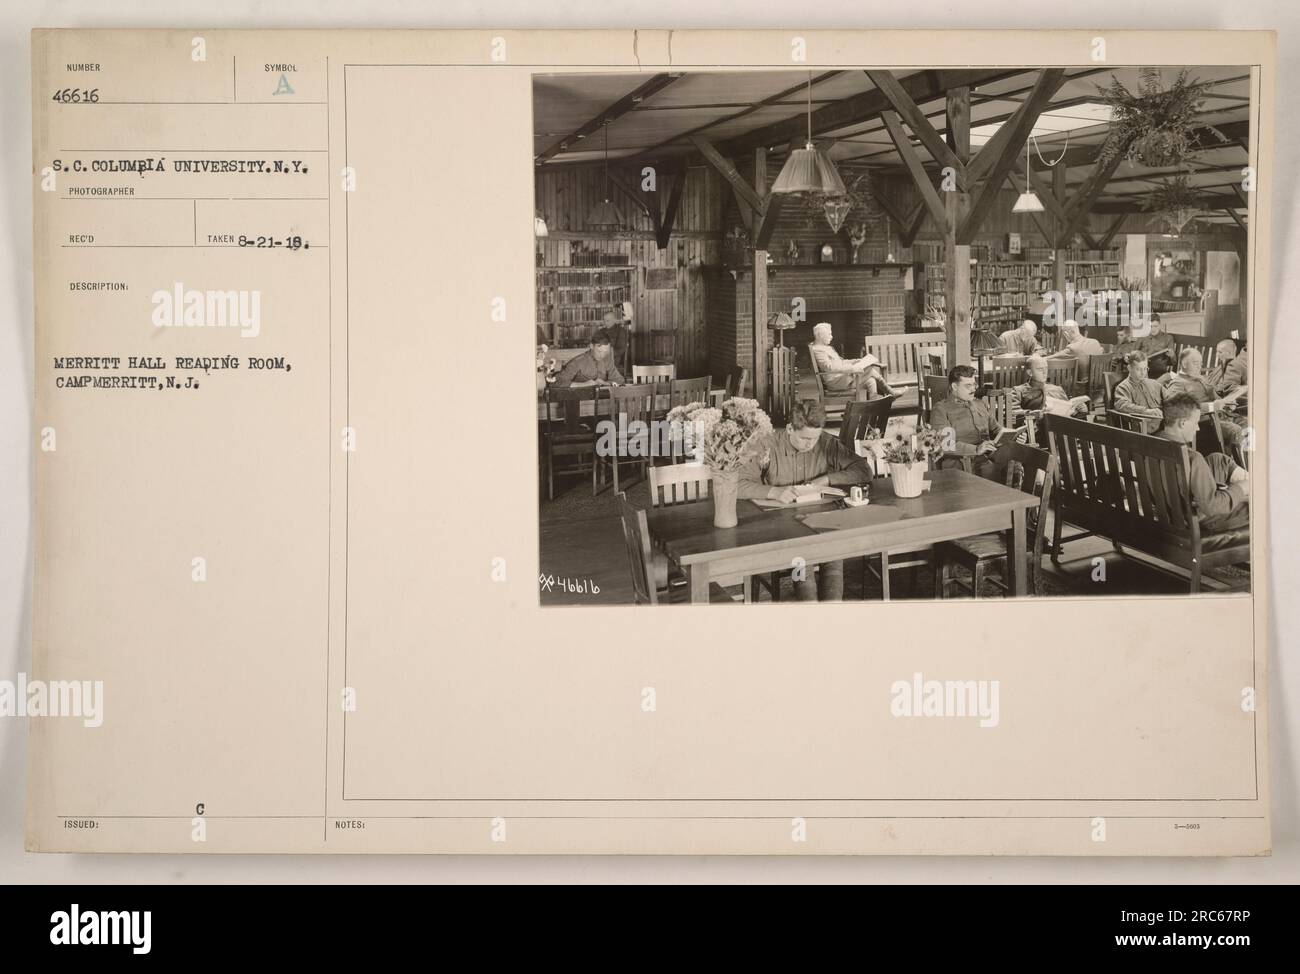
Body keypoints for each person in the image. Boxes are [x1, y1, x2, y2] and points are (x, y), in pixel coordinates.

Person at [737, 399, 873, 601]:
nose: (810, 445)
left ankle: (831, 611)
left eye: (814, 438)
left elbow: (864, 471)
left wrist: (828, 479)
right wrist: (773, 491)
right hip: (781, 528)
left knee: (834, 552)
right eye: (804, 438)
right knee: (802, 564)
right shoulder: (766, 444)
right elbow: (736, 485)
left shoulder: (825, 442)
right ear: (790, 428)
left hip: (820, 523)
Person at [1154, 393, 1249, 534]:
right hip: (1200, 519)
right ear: (1183, 423)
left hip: (1172, 508)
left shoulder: (1154, 443)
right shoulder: (1192, 458)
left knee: (1217, 459)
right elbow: (1211, 507)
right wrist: (1241, 488)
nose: (1198, 428)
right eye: (1196, 422)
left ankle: (1253, 484)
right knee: (1260, 504)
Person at [929, 365, 1026, 482]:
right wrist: (976, 449)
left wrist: (1014, 437)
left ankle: (1020, 491)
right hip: (962, 463)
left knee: (1022, 457)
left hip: (988, 456)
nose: (973, 389)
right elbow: (946, 444)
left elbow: (996, 430)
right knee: (1000, 470)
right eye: (968, 386)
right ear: (954, 386)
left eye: (974, 384)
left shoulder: (980, 404)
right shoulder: (942, 409)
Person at [1163, 347, 1245, 449]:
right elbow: (1177, 410)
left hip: (1221, 416)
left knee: (1248, 424)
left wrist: (1227, 404)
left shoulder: (1201, 378)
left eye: (1200, 363)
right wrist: (1212, 406)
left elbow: (1216, 398)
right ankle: (1238, 463)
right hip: (1204, 423)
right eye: (1195, 363)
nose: (1199, 367)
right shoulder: (1178, 384)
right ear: (1184, 364)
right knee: (1236, 431)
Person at [808, 322, 895, 398]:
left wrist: (854, 361)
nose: (832, 337)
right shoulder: (818, 350)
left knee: (871, 381)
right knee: (870, 370)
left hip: (840, 378)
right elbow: (830, 367)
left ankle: (873, 410)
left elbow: (840, 362)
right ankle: (891, 393)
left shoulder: (825, 347)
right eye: (829, 334)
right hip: (836, 382)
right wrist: (852, 368)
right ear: (820, 336)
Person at [1008, 354, 1090, 419]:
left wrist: (1079, 411)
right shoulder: (1018, 390)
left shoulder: (1057, 389)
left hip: (1059, 430)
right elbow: (1012, 413)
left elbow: (1068, 414)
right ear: (1030, 373)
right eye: (1040, 369)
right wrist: (1033, 414)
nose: (1045, 372)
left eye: (1046, 368)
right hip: (1037, 431)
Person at [1112, 350, 1172, 433]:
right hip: (1142, 427)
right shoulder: (1123, 387)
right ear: (1129, 368)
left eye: (1145, 368)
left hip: (1164, 424)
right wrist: (1147, 411)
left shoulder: (1153, 383)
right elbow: (1122, 405)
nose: (1143, 373)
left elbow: (1170, 397)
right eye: (1138, 369)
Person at [552, 329, 624, 387]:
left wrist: (605, 383)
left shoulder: (607, 360)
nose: (602, 355)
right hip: (579, 401)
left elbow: (620, 380)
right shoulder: (577, 362)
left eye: (605, 352)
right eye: (599, 351)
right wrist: (584, 384)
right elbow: (557, 382)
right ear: (591, 346)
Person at [1117, 312, 1175, 377]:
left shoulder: (1168, 338)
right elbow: (1131, 352)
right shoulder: (1143, 338)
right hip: (1141, 370)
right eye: (1150, 326)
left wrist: (1172, 356)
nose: (1153, 329)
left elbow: (1173, 362)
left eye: (1155, 326)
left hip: (1158, 372)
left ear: (1160, 325)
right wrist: (1127, 357)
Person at [600, 309, 630, 373]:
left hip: (614, 359)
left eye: (608, 321)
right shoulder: (602, 331)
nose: (605, 323)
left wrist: (607, 354)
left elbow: (621, 349)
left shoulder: (620, 331)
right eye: (604, 321)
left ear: (614, 320)